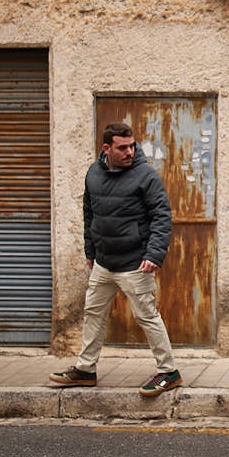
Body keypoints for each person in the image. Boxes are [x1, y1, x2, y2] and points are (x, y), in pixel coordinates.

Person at [49, 122, 181, 398]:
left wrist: (154, 254)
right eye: (123, 147)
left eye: (132, 146)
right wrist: (90, 251)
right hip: (104, 262)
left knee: (146, 316)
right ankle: (85, 370)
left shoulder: (146, 176)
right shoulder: (94, 174)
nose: (130, 151)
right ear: (106, 147)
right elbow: (89, 214)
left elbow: (161, 217)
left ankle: (169, 372)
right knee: (93, 313)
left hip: (135, 262)